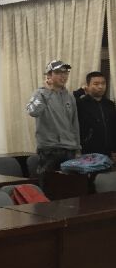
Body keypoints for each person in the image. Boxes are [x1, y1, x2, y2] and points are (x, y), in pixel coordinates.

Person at [26, 60, 81, 192]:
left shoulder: (69, 97)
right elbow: (32, 111)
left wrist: (78, 148)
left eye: (65, 72)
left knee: (68, 188)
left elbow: (74, 124)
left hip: (69, 149)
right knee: (48, 187)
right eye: (58, 72)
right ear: (49, 75)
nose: (63, 76)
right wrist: (48, 91)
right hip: (49, 149)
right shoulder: (40, 94)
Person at [75, 71, 116, 159]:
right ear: (87, 85)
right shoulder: (80, 103)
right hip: (87, 152)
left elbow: (113, 127)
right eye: (96, 84)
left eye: (103, 83)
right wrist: (81, 90)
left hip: (108, 152)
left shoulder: (110, 104)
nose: (100, 87)